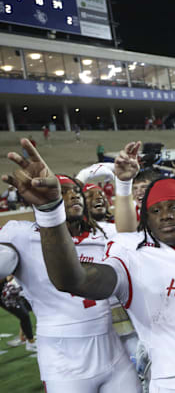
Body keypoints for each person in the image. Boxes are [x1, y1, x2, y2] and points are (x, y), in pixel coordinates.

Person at [4, 140, 175, 392]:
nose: (165, 215)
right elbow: (73, 280)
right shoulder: (133, 257)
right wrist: (50, 211)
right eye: (155, 210)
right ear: (146, 220)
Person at [0, 157, 141, 392]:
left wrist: (125, 184)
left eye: (76, 191)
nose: (74, 196)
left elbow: (130, 237)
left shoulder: (102, 233)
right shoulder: (21, 233)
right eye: (63, 193)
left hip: (111, 347)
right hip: (62, 358)